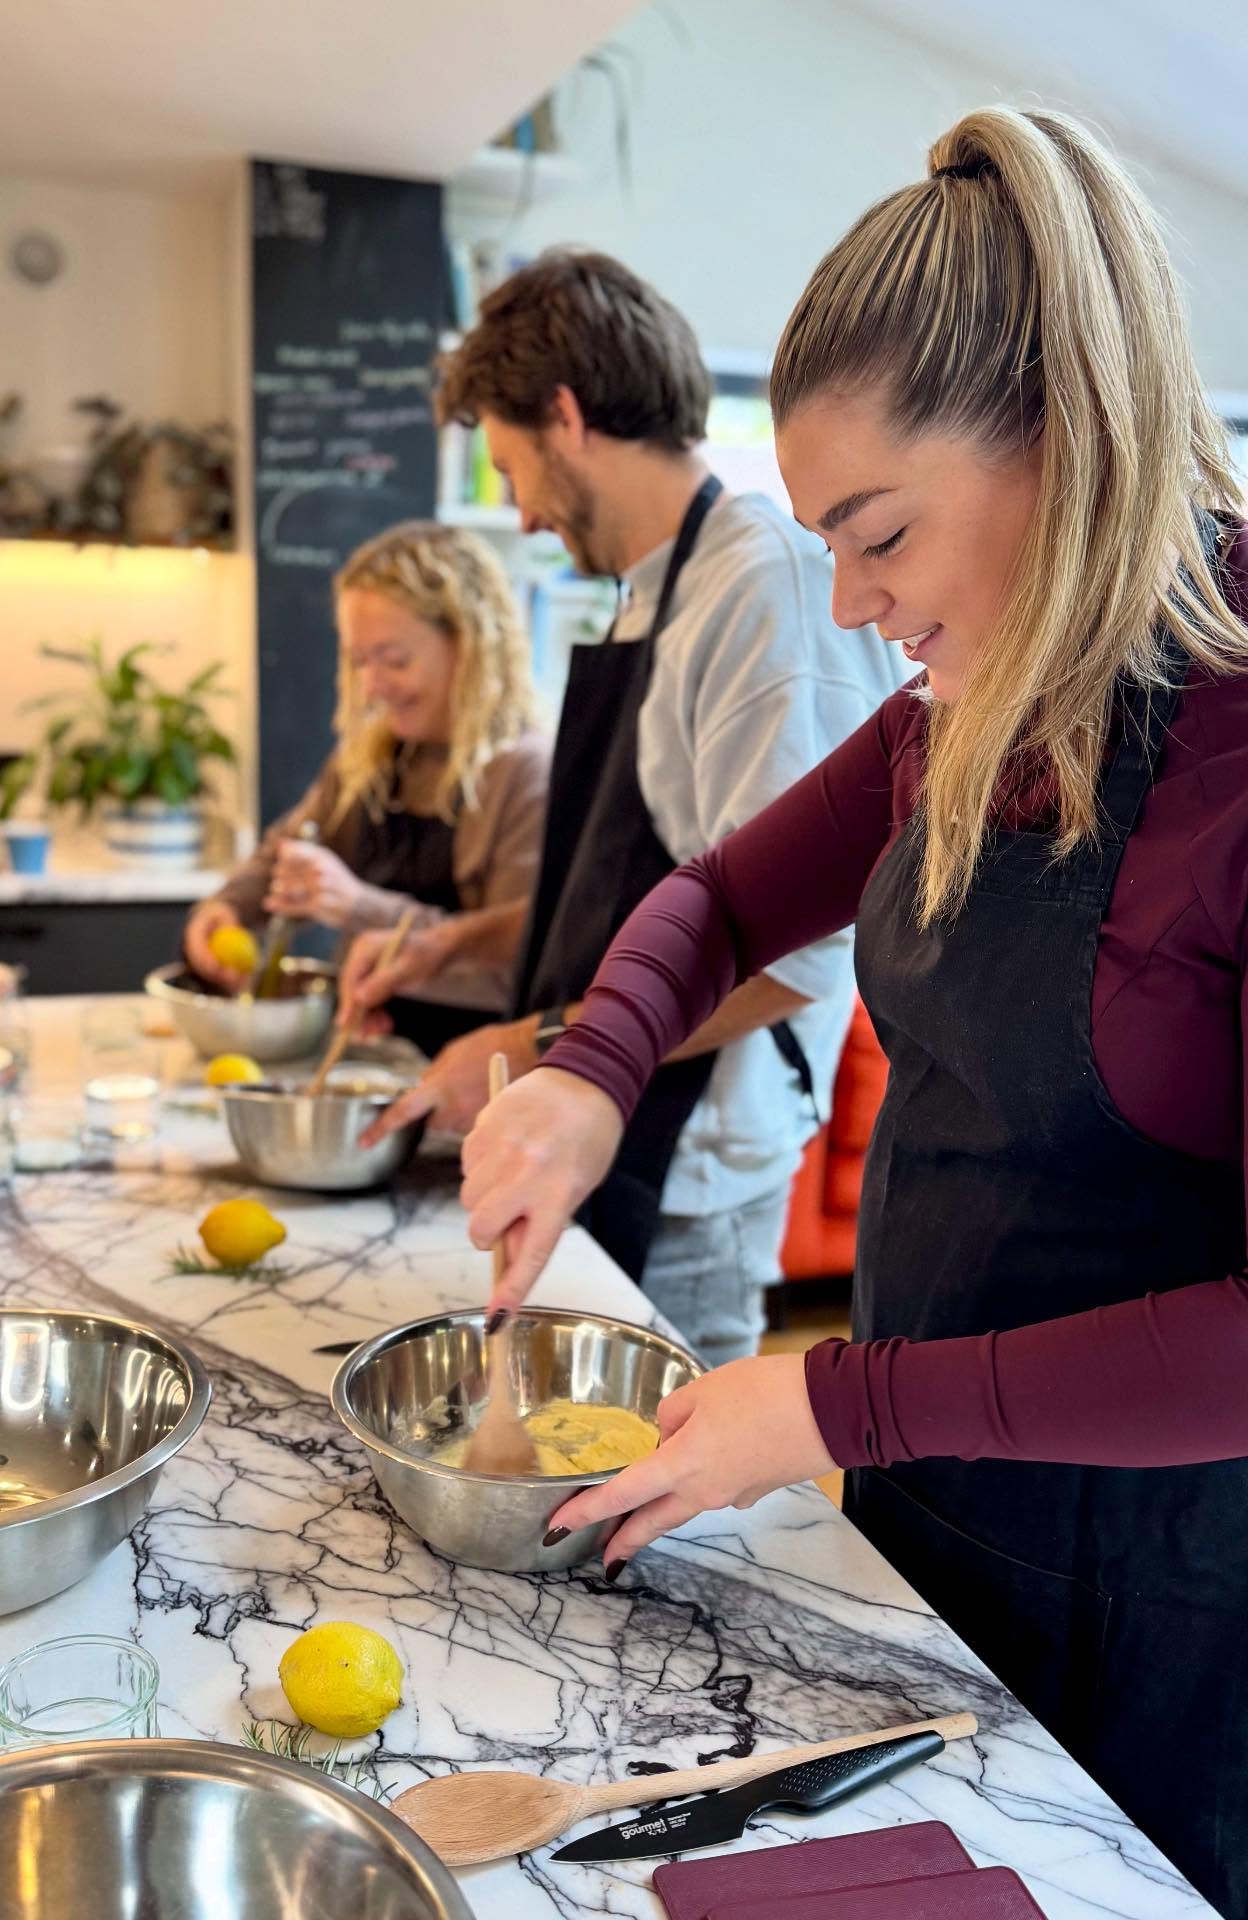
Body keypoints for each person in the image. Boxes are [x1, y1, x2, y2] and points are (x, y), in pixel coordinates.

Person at [455, 108, 1248, 1914]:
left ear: (1067, 433)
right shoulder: (967, 710)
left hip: (1171, 1597)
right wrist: (589, 1071)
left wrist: (837, 1403)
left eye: (878, 532)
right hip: (919, 1514)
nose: (851, 597)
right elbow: (715, 894)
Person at [342, 251, 904, 1366]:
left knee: (666, 1520)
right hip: (603, 1131)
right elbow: (616, 904)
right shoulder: (655, 595)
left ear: (565, 415)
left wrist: (533, 1045)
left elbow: (794, 958)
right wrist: (453, 943)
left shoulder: (764, 587)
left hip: (686, 1170)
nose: (525, 513)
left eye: (512, 469)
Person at [185, 521, 549, 1056]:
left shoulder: (526, 773)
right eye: (359, 661)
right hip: (369, 1057)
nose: (373, 686)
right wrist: (226, 909)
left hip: (474, 1074)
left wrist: (359, 907)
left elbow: (517, 965)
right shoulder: (371, 756)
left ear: (470, 644)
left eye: (395, 660)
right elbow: (284, 853)